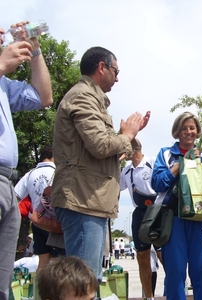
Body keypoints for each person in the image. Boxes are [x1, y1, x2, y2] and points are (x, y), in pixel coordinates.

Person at [51, 46, 150, 282]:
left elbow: (100, 151)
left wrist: (130, 137)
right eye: (116, 71)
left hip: (89, 199)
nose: (118, 78)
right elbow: (101, 145)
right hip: (83, 200)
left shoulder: (90, 98)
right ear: (102, 67)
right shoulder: (83, 96)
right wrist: (126, 136)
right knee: (83, 282)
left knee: (86, 280)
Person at [152, 111, 202, 300]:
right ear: (177, 131)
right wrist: (181, 163)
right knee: (176, 273)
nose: (188, 131)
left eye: (192, 128)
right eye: (184, 128)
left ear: (197, 131)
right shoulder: (166, 154)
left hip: (200, 219)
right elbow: (156, 183)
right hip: (173, 220)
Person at [0, 20, 53, 299]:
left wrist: (35, 50)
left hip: (7, 181)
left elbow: (43, 97)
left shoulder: (4, 86)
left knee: (3, 284)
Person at [120, 137, 160, 299]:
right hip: (139, 214)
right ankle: (148, 296)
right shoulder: (126, 170)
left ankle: (174, 291)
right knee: (142, 257)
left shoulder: (152, 162)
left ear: (132, 150)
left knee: (164, 254)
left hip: (156, 212)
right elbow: (115, 185)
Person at [14, 145, 65, 273]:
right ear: (54, 156)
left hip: (37, 223)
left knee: (42, 263)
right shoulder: (59, 172)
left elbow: (16, 197)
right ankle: (58, 292)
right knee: (59, 263)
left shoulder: (30, 174)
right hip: (55, 224)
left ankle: (40, 292)